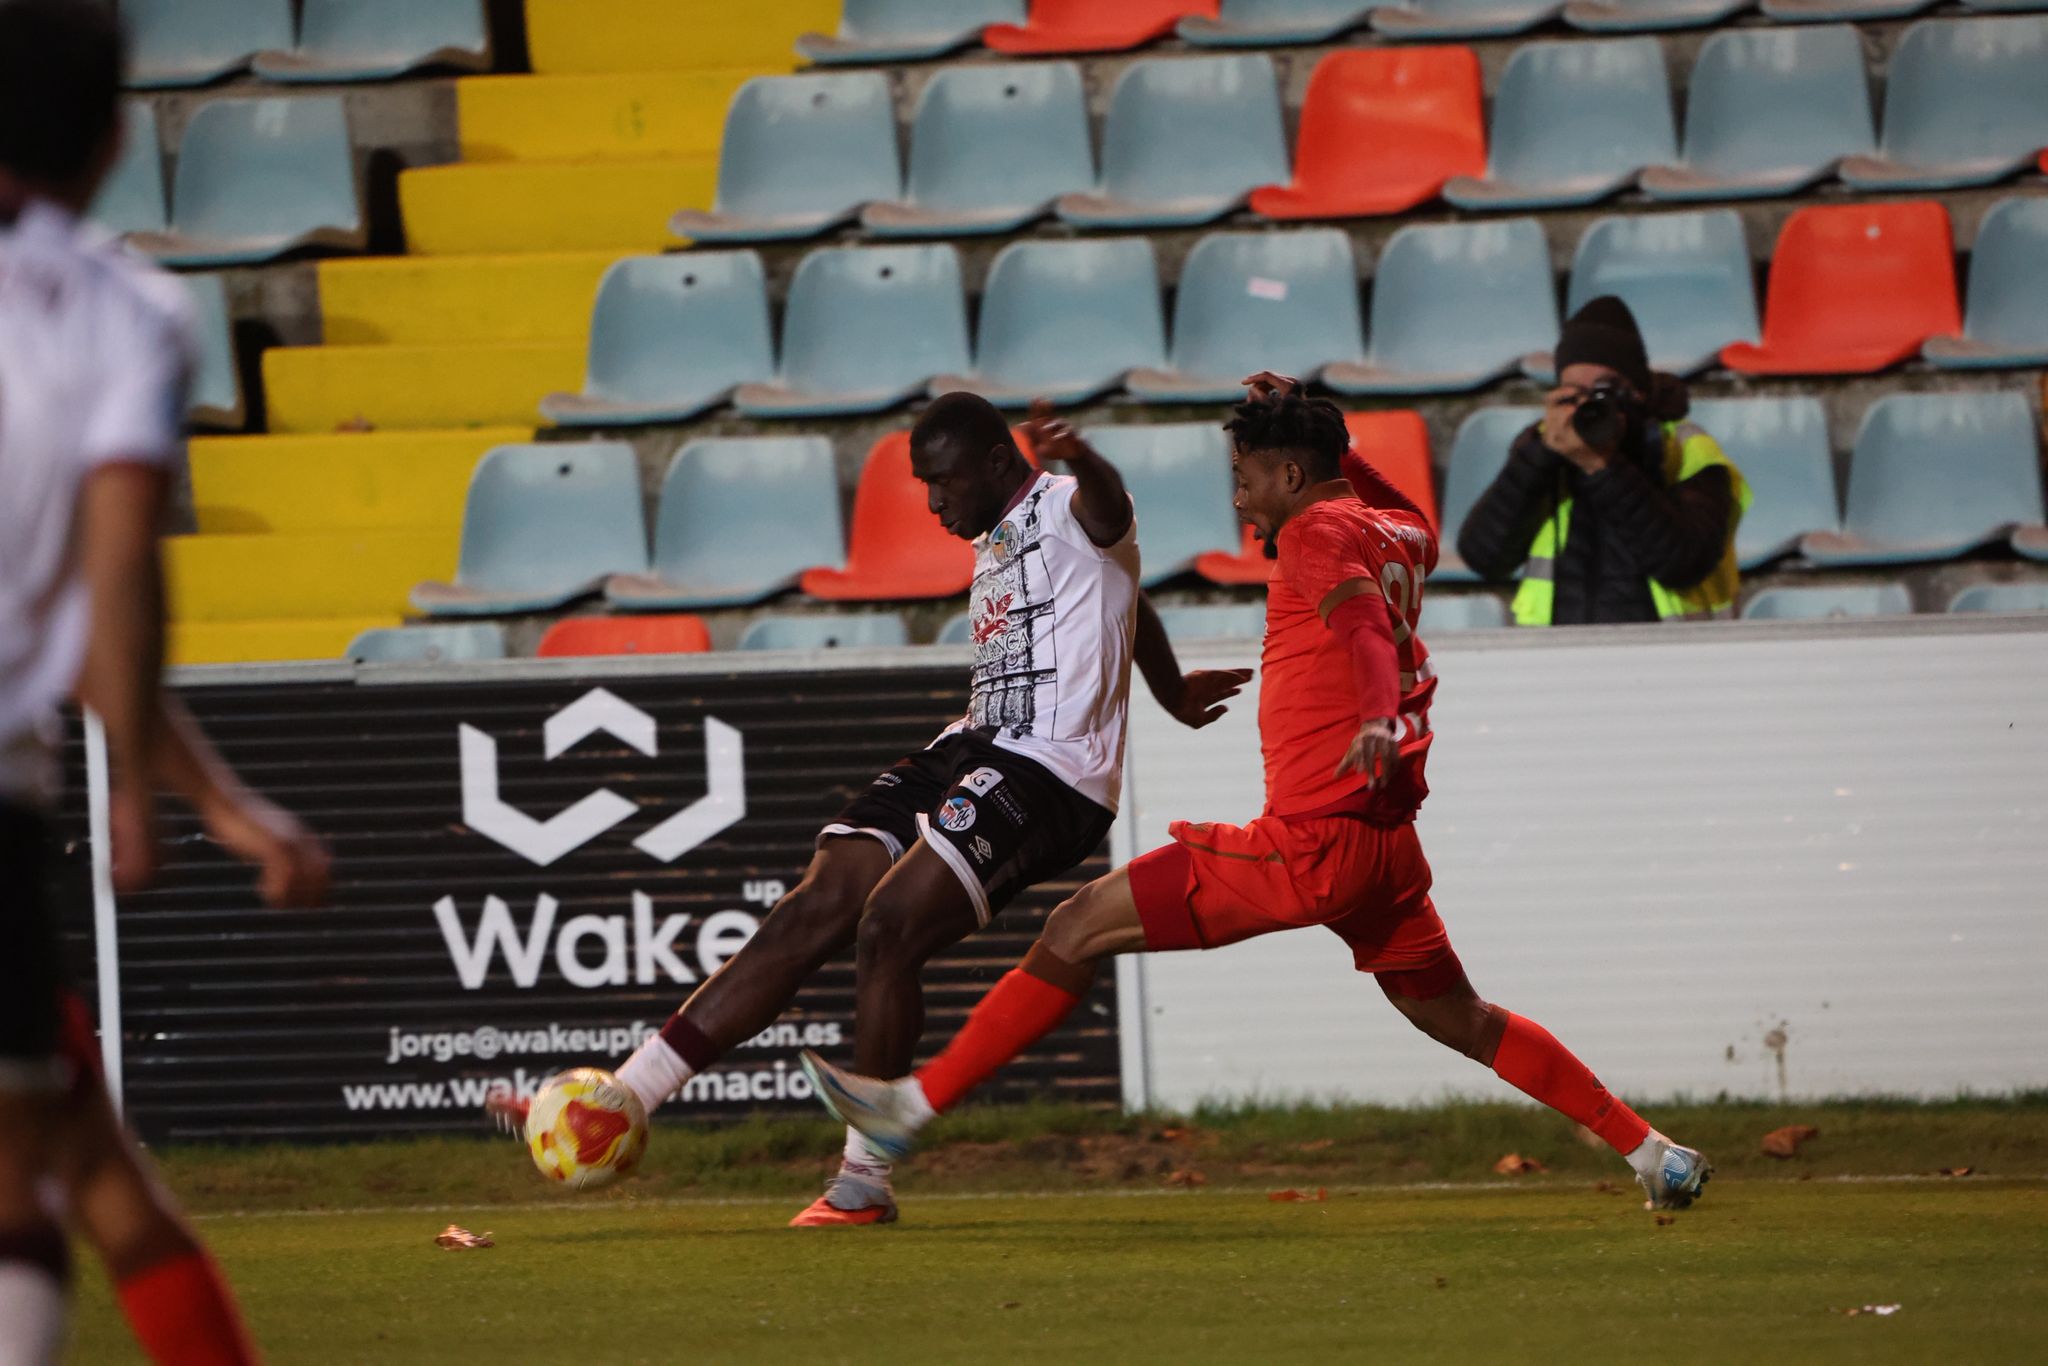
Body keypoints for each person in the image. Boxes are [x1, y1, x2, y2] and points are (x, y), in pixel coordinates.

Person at [800, 379, 1713, 1213]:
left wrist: (1380, 717)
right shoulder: (1391, 529)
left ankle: (907, 1109)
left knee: (1075, 928)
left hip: (1308, 847)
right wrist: (1335, 444)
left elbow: (1358, 626)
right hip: (1384, 850)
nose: (1237, 498)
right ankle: (1652, 1151)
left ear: (1288, 473)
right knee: (1462, 1018)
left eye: (1245, 477)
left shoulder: (1317, 538)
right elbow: (1390, 511)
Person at [491, 392, 1251, 1227]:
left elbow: (1112, 527)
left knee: (888, 926)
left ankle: (864, 1181)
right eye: (924, 485)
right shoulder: (1000, 538)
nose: (932, 504)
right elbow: (1125, 597)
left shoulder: (1070, 504)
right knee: (813, 907)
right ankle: (622, 1095)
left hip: (1054, 771)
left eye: (943, 482)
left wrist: (1086, 460)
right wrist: (1168, 686)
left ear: (1000, 464)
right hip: (974, 742)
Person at [0, 3, 332, 1361]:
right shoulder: (116, 308)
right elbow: (113, 584)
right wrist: (164, 786)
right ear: (119, 137)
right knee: (55, 1157)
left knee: (71, 1159)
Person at [1457, 296, 1750, 626]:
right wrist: (1538, 457)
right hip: (1559, 655)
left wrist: (1603, 467)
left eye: (1604, 391)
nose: (1589, 406)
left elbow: (1683, 561)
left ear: (1638, 391)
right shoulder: (1548, 446)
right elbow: (1484, 557)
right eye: (1574, 393)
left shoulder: (1684, 448)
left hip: (1670, 657)